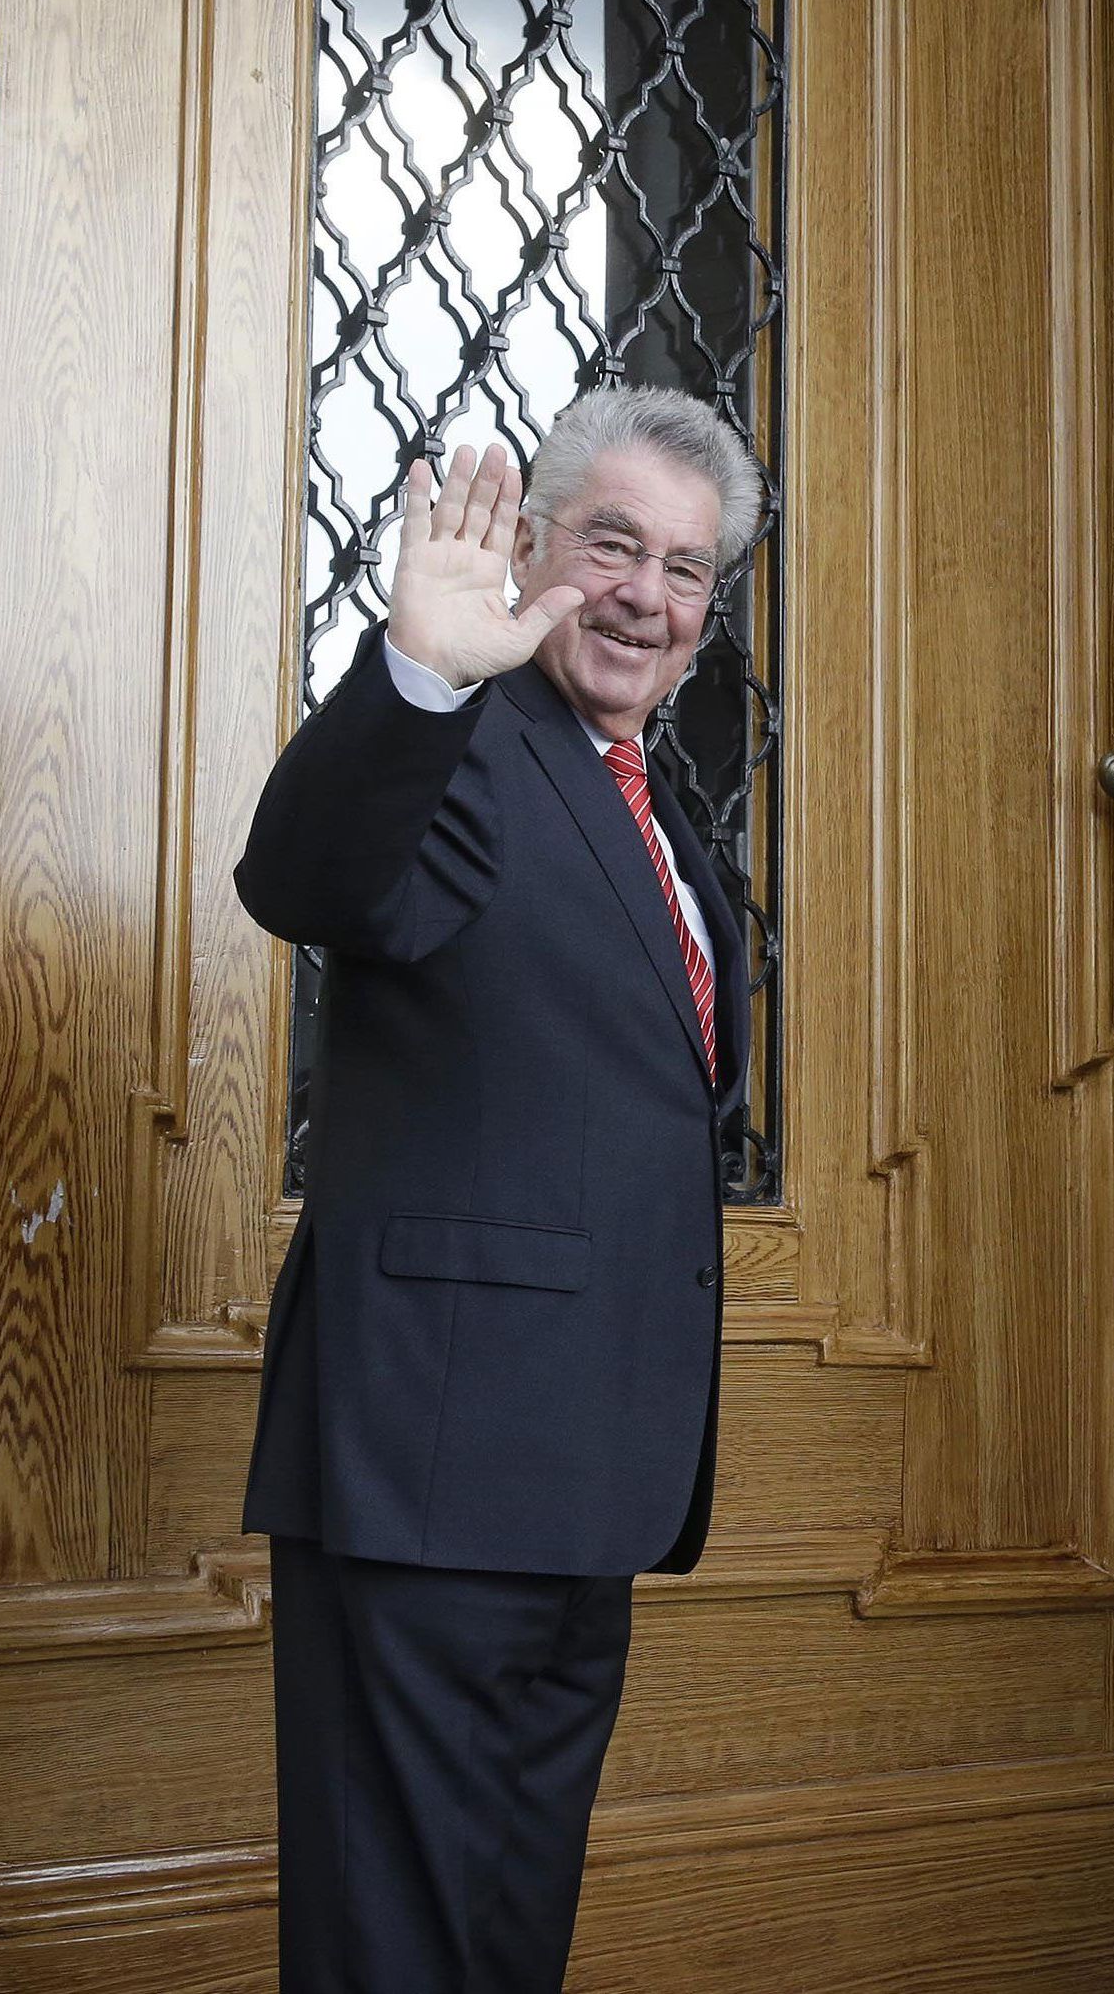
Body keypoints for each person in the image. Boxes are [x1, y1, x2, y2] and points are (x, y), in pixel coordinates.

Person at [235, 385, 756, 1991]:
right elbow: (307, 878)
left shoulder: (660, 811)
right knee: (394, 1944)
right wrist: (410, 681)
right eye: (614, 544)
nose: (645, 598)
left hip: (585, 1480)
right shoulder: (462, 740)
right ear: (534, 544)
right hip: (430, 1467)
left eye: (685, 571)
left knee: (505, 1933)